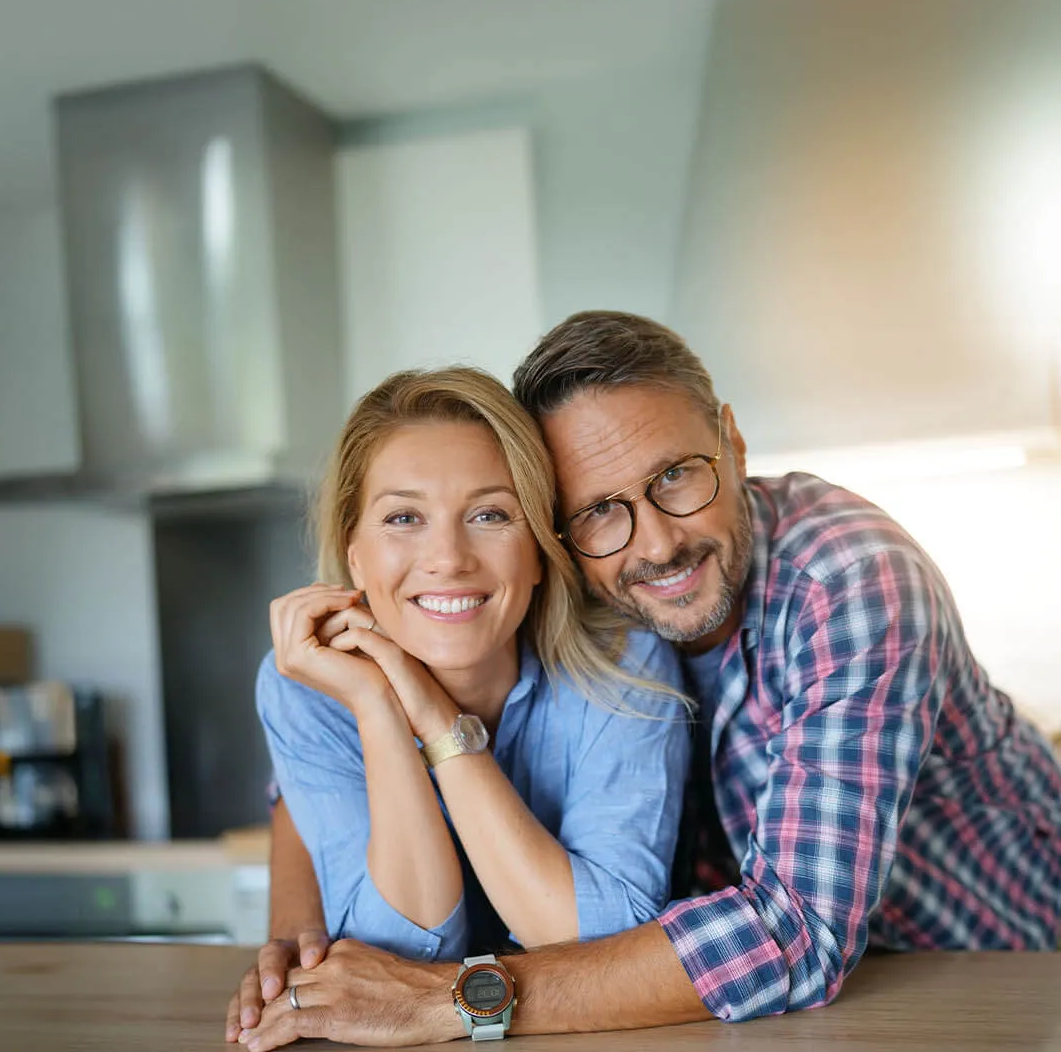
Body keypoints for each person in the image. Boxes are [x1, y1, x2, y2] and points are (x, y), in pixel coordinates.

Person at [234, 312, 1061, 1050]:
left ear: (733, 443)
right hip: (746, 1009)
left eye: (676, 475)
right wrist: (299, 939)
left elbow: (796, 935)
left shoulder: (846, 578)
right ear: (559, 530)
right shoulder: (587, 595)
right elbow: (312, 772)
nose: (657, 542)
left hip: (998, 976)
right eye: (599, 508)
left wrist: (453, 999)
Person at [225, 366, 691, 1045]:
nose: (447, 558)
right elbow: (392, 950)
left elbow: (602, 940)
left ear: (539, 550)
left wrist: (435, 718)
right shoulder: (305, 684)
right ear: (356, 557)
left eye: (490, 515)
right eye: (404, 518)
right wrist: (378, 706)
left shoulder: (622, 662)